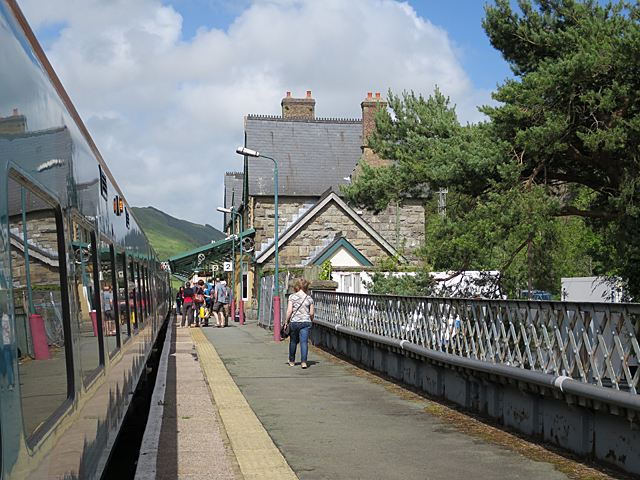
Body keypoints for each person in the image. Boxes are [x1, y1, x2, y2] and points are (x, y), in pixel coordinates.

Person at [285, 279, 314, 369]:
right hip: (306, 322)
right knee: (304, 342)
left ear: (297, 286)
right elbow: (311, 313)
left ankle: (292, 360)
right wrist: (311, 320)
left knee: (293, 341)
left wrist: (286, 321)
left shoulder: (292, 297)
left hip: (294, 321)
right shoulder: (309, 298)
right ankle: (304, 362)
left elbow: (289, 310)